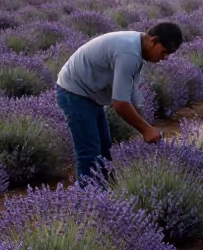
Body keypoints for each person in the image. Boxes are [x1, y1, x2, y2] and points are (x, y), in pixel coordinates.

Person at [56, 23, 184, 180]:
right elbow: (120, 104)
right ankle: (88, 201)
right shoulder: (129, 53)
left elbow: (132, 95)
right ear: (154, 41)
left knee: (104, 151)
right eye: (164, 52)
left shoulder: (138, 44)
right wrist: (146, 130)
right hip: (74, 92)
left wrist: (147, 126)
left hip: (90, 93)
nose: (165, 58)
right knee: (90, 153)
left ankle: (104, 197)